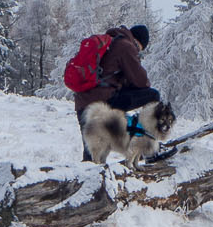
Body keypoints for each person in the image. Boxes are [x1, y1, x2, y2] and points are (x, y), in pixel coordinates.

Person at [73, 24, 170, 159]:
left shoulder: (110, 42)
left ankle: (87, 177)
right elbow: (141, 81)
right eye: (139, 49)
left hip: (83, 104)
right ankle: (149, 149)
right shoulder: (126, 46)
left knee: (93, 155)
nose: (137, 51)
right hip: (104, 103)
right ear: (137, 42)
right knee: (152, 95)